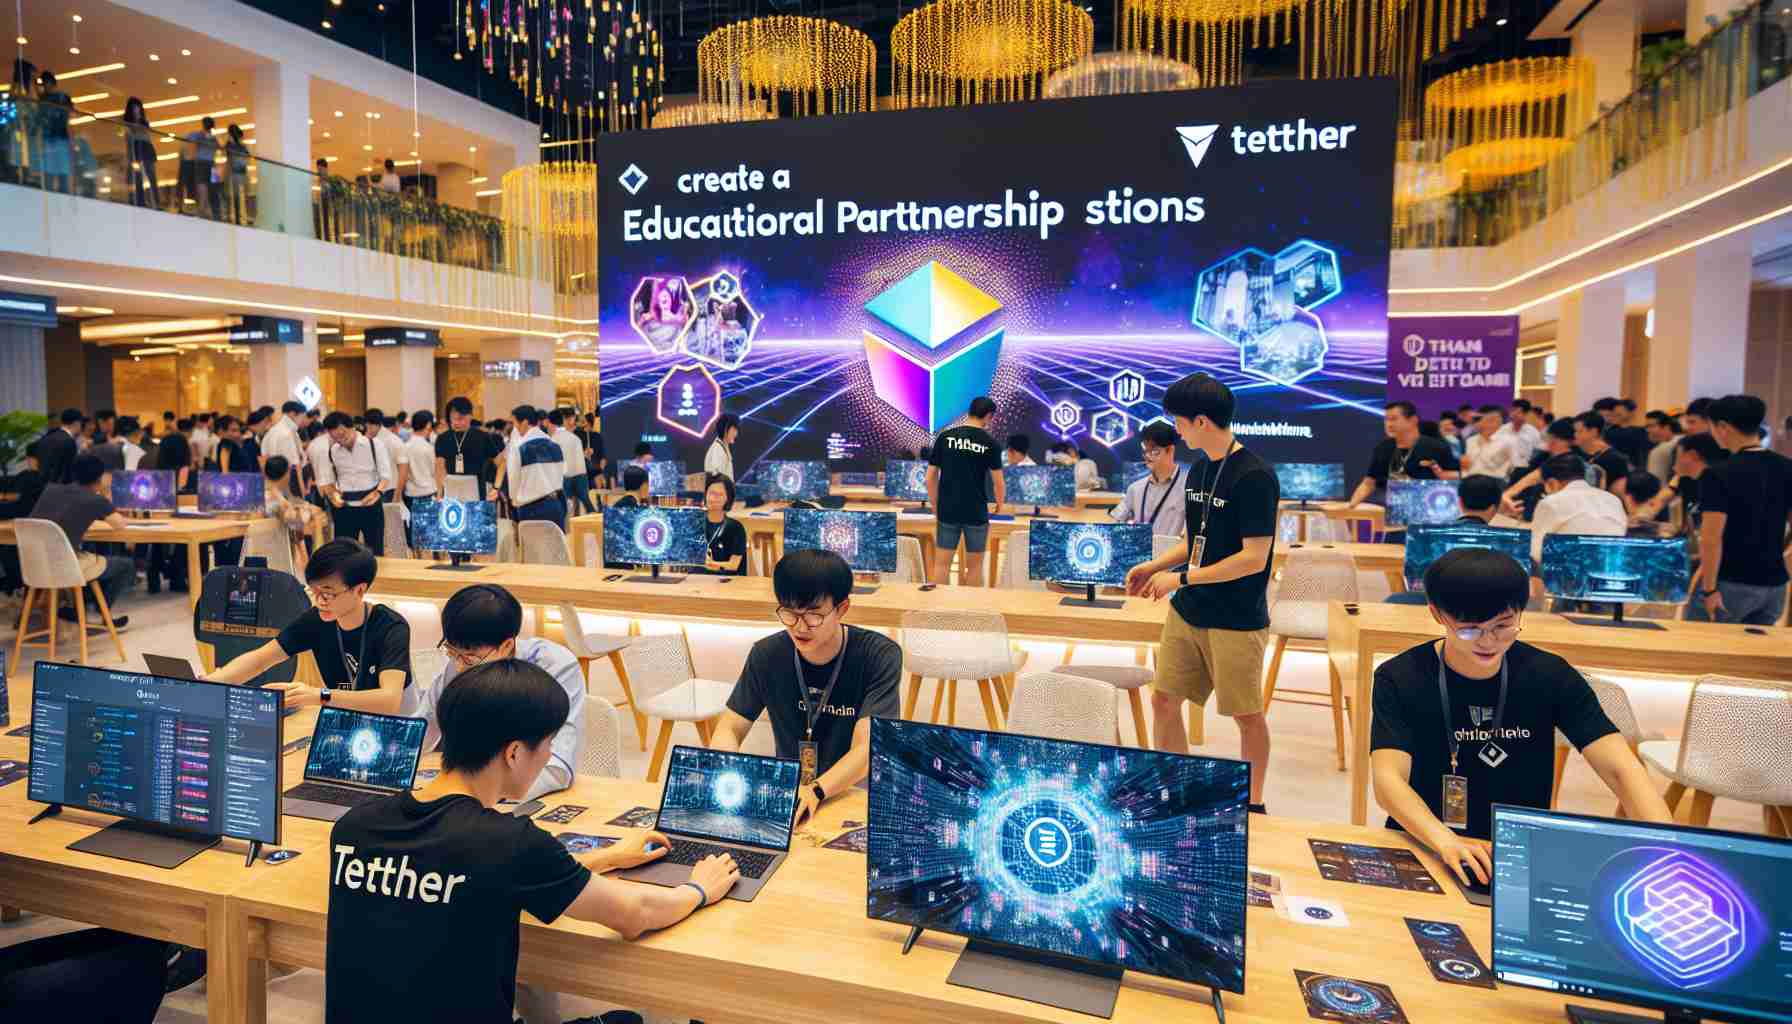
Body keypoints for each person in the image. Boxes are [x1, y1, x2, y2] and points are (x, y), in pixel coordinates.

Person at [324, 657, 737, 1024]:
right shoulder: (509, 842)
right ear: (515, 752)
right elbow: (635, 914)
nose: (549, 758)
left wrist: (605, 858)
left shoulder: (355, 827)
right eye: (548, 746)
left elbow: (471, 878)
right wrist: (699, 888)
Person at [1370, 548, 1673, 881]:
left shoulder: (1549, 675)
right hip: (1424, 842)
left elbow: (1621, 770)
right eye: (1470, 629)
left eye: (1503, 626)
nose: (1488, 642)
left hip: (1517, 850)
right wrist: (1445, 841)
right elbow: (1388, 781)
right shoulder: (1400, 677)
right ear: (1437, 614)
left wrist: (1669, 850)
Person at [1124, 372, 1277, 811]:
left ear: (1203, 422)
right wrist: (1154, 566)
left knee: (1247, 715)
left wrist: (1182, 579)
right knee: (1164, 700)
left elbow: (1253, 558)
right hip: (1189, 611)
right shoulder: (1201, 471)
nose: (1177, 429)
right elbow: (1195, 540)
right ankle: (1175, 790)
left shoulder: (1255, 476)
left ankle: (1254, 803)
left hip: (1236, 617)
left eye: (1180, 421)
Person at [712, 549, 901, 823]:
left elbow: (866, 749)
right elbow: (730, 726)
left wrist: (817, 790)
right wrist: (727, 768)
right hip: (792, 797)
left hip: (854, 792)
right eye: (789, 613)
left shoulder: (878, 656)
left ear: (842, 609)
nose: (800, 627)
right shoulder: (767, 654)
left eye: (814, 615)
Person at [410, 584, 584, 798]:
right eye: (452, 652)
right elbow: (421, 728)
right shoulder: (460, 663)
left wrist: (484, 794)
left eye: (469, 658)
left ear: (507, 646)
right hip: (472, 793)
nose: (460, 667)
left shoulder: (555, 667)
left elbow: (558, 766)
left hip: (523, 794)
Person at [207, 539, 410, 712]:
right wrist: (214, 681)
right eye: (314, 591)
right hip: (345, 719)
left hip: (398, 722)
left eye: (328, 593)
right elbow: (261, 659)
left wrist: (319, 695)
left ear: (359, 590)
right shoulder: (317, 619)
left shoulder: (391, 627)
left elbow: (390, 701)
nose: (319, 601)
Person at [1687, 394, 1792, 625]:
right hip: (1774, 586)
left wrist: (1709, 590)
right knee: (1753, 658)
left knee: (1701, 652)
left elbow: (1711, 538)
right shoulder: (1787, 468)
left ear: (1723, 426)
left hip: (1729, 582)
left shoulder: (1718, 474)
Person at [30, 454, 134, 628]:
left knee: (90, 557)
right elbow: (119, 525)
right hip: (65, 566)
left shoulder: (50, 490)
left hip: (35, 564)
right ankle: (102, 613)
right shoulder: (96, 500)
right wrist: (105, 495)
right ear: (100, 478)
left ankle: (76, 608)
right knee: (126, 565)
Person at [927, 396, 1005, 586]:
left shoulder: (945, 438)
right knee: (975, 567)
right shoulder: (990, 443)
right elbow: (999, 483)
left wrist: (936, 505)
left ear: (969, 412)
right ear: (988, 416)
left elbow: (929, 478)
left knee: (942, 565)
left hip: (948, 509)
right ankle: (971, 612)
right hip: (976, 511)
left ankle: (938, 611)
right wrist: (999, 504)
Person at [1346, 400, 1460, 513]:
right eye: (1386, 419)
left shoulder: (1437, 448)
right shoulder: (1383, 448)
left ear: (1413, 420)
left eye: (1394, 419)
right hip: (1395, 514)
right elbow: (1368, 483)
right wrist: (1351, 505)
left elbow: (1455, 480)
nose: (1389, 424)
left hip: (1430, 513)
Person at [316, 411, 394, 555]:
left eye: (343, 434)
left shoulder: (374, 445)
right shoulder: (332, 451)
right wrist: (333, 495)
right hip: (344, 508)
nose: (340, 440)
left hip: (371, 504)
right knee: (343, 553)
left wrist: (378, 493)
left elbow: (386, 475)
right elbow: (327, 480)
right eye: (335, 437)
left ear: (352, 427)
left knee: (374, 550)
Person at [1530, 453, 1626, 564]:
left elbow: (1535, 553)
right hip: (1611, 567)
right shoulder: (1613, 500)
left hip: (1569, 573)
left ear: (1552, 483)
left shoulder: (1551, 502)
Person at [1108, 420, 1186, 539]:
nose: (1148, 456)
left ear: (1170, 450)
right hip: (1141, 553)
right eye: (1145, 450)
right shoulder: (1136, 488)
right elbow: (1115, 521)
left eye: (1154, 451)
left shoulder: (1188, 487)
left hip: (1174, 555)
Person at [506, 405, 567, 530]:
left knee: (532, 549)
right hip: (555, 506)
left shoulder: (520, 448)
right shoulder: (555, 446)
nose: (514, 428)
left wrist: (515, 506)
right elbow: (562, 475)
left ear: (524, 423)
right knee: (555, 548)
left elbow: (513, 482)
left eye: (515, 423)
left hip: (530, 509)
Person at [434, 396, 496, 499]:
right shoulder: (442, 438)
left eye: (461, 418)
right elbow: (440, 468)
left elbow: (500, 461)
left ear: (470, 416)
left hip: (475, 485)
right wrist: (439, 494)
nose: (457, 422)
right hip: (451, 485)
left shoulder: (482, 436)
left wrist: (496, 488)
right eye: (453, 418)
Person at [695, 473, 747, 576]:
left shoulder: (736, 528)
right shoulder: (694, 524)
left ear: (728, 498)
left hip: (727, 583)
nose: (714, 498)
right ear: (705, 495)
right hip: (696, 582)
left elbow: (734, 565)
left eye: (720, 495)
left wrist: (712, 564)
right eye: (712, 493)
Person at [33, 72, 73, 194]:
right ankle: (55, 194)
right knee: (52, 172)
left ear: (52, 83)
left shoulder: (59, 97)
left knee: (59, 172)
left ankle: (60, 195)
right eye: (44, 84)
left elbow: (65, 114)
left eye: (47, 83)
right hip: (51, 139)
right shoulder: (46, 99)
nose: (45, 86)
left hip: (58, 139)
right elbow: (39, 119)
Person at [548, 409, 592, 516]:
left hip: (564, 476)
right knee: (587, 503)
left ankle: (567, 529)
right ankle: (594, 524)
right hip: (580, 474)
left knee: (564, 507)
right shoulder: (575, 438)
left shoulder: (553, 439)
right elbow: (580, 459)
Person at [1573, 412, 1629, 495]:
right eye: (1575, 431)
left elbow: (1620, 492)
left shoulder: (1615, 459)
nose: (1575, 435)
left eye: (1579, 431)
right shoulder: (1577, 455)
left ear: (1593, 432)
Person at [1461, 405, 1517, 483]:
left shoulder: (1509, 442)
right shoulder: (1471, 441)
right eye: (1484, 420)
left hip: (1496, 484)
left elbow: (1513, 470)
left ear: (1502, 423)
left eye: (1493, 420)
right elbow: (1466, 467)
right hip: (1470, 482)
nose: (1488, 424)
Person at [121, 96, 160, 208]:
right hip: (136, 148)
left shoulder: (144, 122)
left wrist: (139, 124)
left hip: (146, 148)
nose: (137, 110)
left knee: (151, 176)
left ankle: (154, 202)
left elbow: (146, 135)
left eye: (138, 108)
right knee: (137, 176)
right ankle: (140, 201)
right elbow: (129, 136)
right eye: (134, 108)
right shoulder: (127, 123)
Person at [363, 408, 404, 504]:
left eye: (369, 425)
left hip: (386, 489)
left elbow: (403, 468)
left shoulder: (386, 441)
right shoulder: (394, 439)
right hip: (386, 488)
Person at [262, 400, 305, 491]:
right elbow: (295, 465)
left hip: (272, 480)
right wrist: (302, 489)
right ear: (293, 414)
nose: (303, 420)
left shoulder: (272, 431)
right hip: (287, 482)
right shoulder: (286, 433)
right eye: (302, 417)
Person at [179, 116, 216, 217]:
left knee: (201, 185)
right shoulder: (214, 139)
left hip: (201, 163)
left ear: (203, 124)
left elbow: (186, 137)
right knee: (208, 186)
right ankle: (207, 209)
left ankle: (202, 209)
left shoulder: (199, 135)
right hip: (212, 164)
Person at [400, 411, 438, 510]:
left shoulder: (405, 446)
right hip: (429, 492)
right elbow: (435, 472)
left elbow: (403, 473)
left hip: (411, 494)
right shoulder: (429, 448)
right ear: (428, 425)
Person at [37, 408, 80, 485]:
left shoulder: (45, 439)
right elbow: (69, 469)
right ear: (76, 423)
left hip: (44, 486)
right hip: (62, 487)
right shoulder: (69, 441)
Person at [1644, 411, 1681, 482]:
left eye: (1651, 426)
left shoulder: (1659, 451)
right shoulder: (1683, 440)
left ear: (1666, 427)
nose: (1647, 430)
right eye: (1647, 427)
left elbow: (1654, 481)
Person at [704, 413, 739, 481]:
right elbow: (717, 477)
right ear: (726, 429)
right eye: (734, 429)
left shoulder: (721, 447)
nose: (736, 433)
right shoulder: (718, 449)